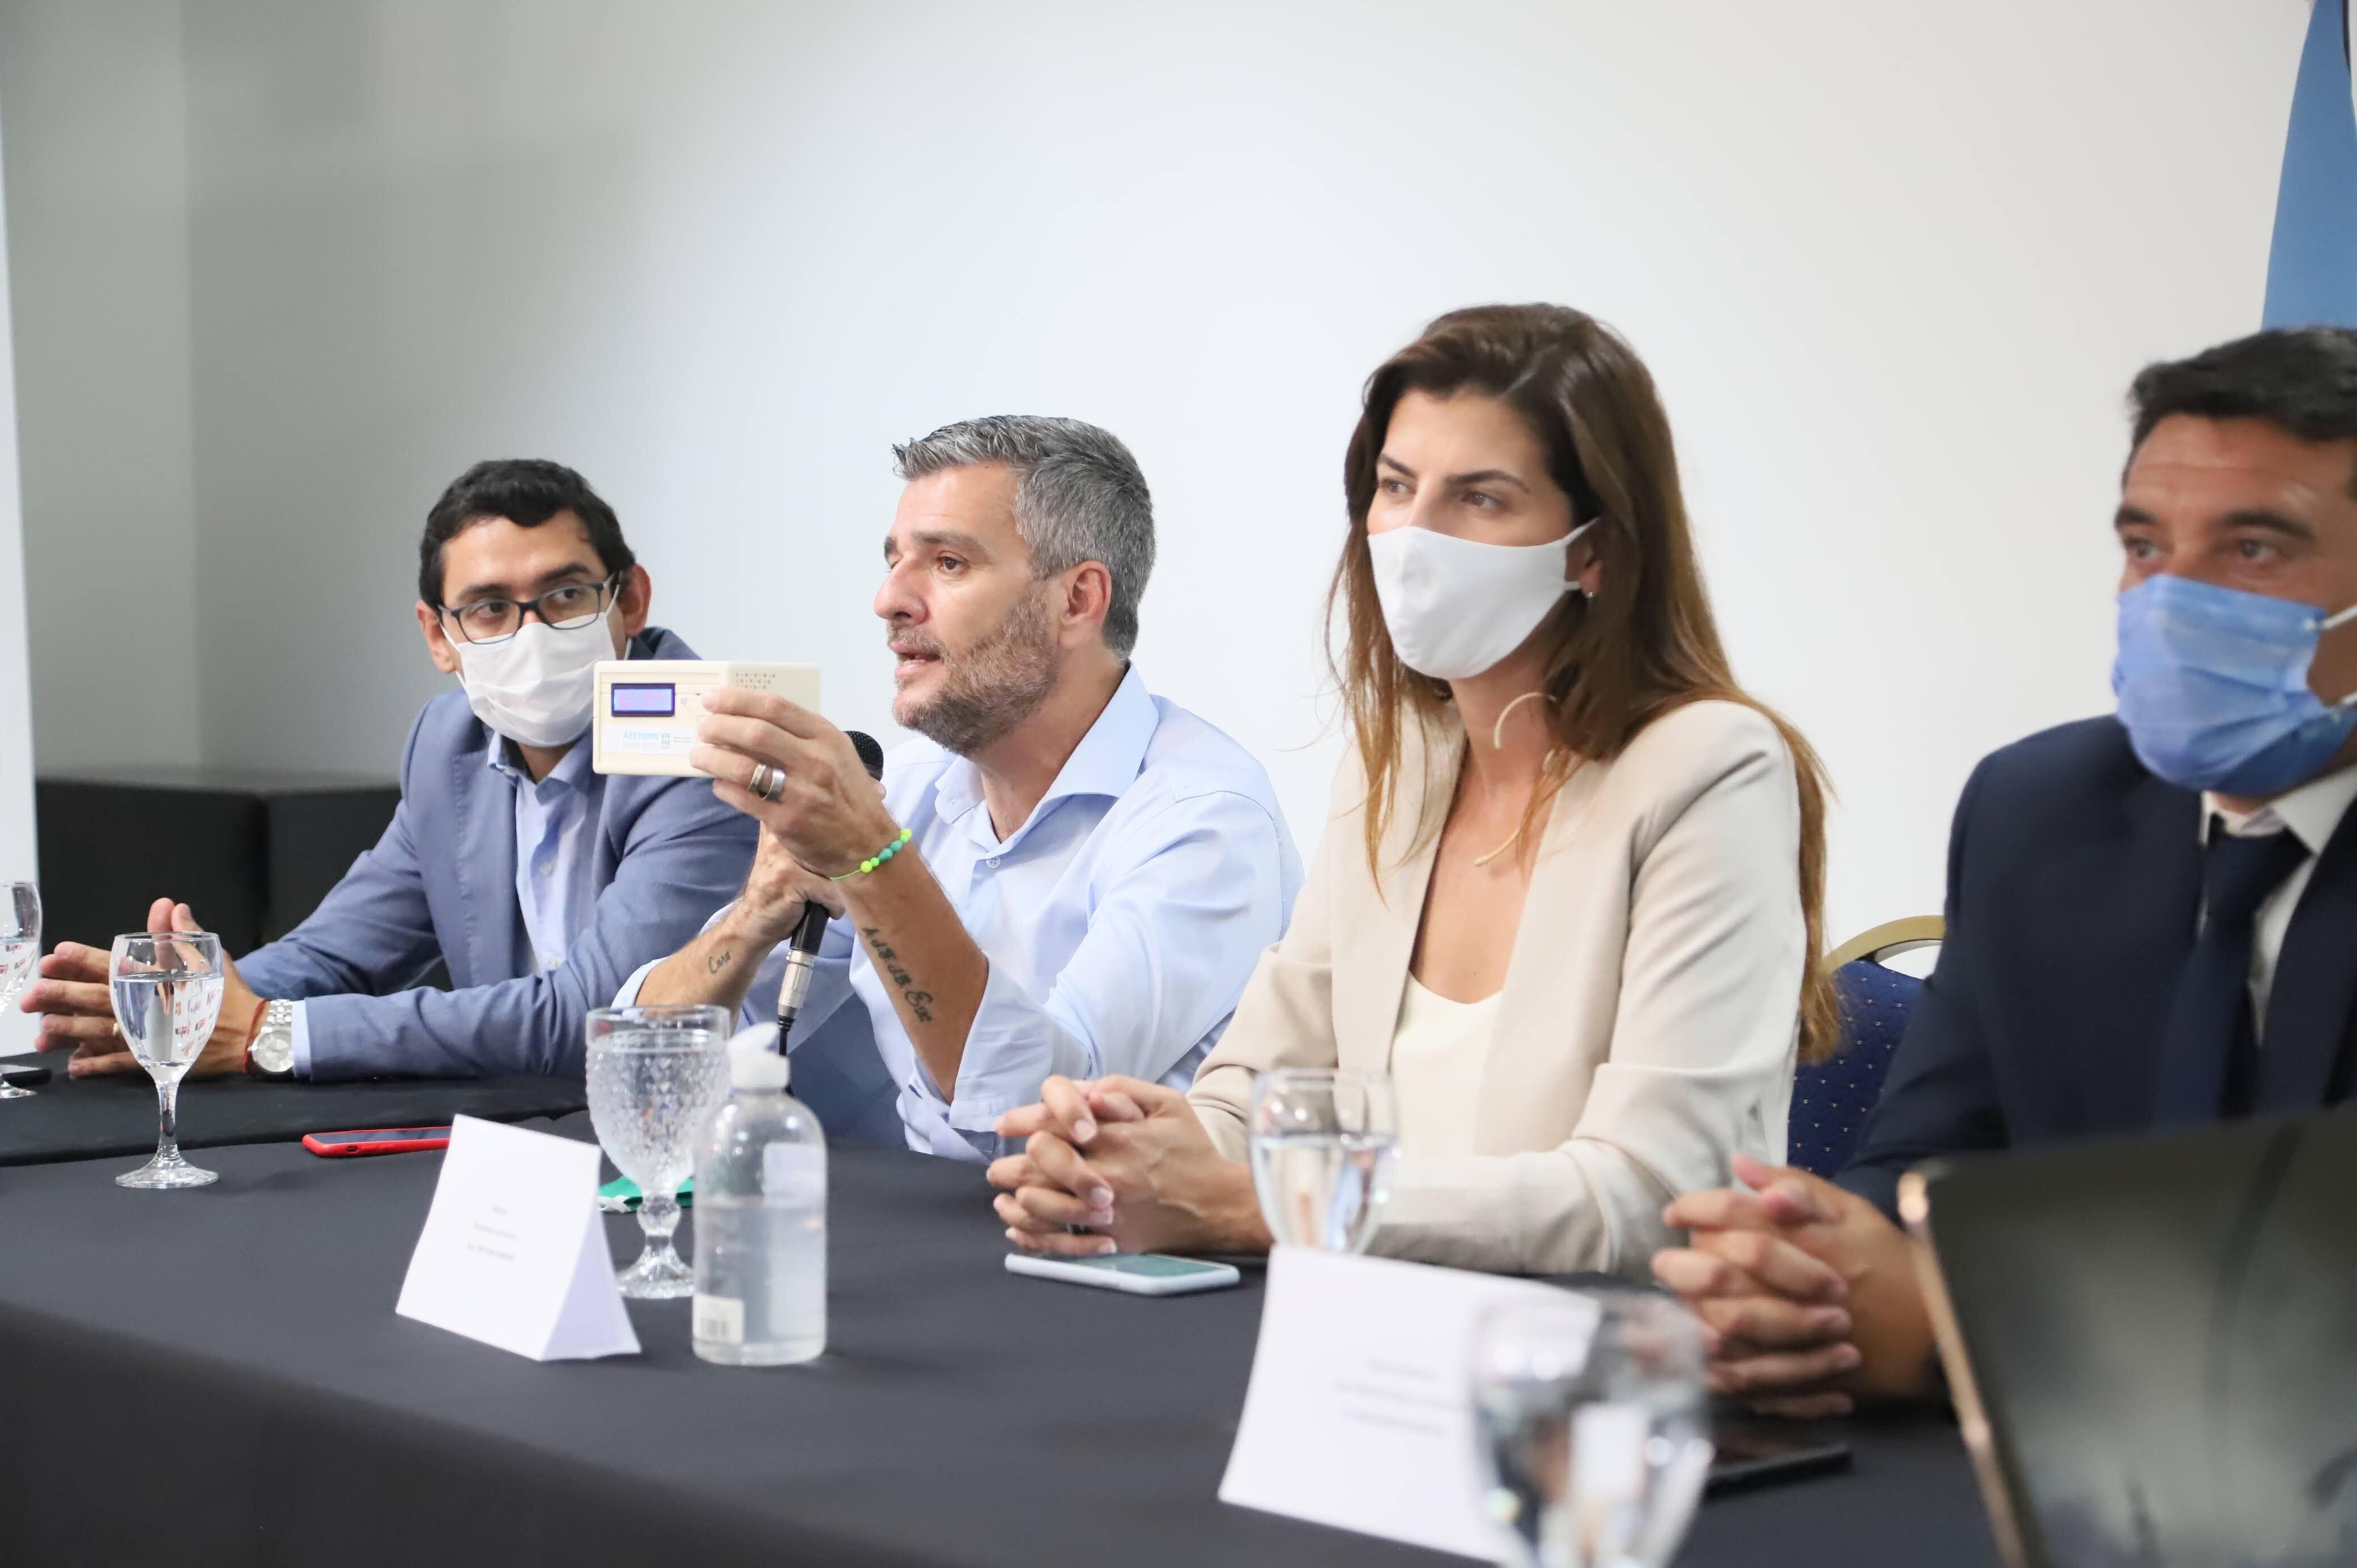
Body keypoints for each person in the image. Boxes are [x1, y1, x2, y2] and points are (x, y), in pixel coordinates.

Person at [989, 303, 1836, 1275]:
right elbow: (1255, 1095)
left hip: (1600, 1377)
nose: (1413, 537)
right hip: (1374, 1344)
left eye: (1481, 499)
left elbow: (1655, 1194)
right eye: (1396, 487)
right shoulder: (1403, 765)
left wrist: (1277, 1206)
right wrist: (1117, 1147)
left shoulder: (1710, 769)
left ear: (1594, 550)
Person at [1654, 326, 2357, 1415]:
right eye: (2144, 546)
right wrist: (1817, 1262)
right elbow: (1928, 1165)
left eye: (2252, 550)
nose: (2170, 599)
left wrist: (1960, 1329)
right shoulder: (2043, 810)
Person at [623, 415, 1301, 1158]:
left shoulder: (1204, 821)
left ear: (1077, 601)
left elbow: (1036, 1125)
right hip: (932, 1239)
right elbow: (640, 1084)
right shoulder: (907, 790)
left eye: (947, 563)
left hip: (1107, 1252)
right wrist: (756, 915)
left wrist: (874, 861)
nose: (890, 600)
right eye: (893, 562)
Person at [19, 459, 756, 1080]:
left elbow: (601, 1021)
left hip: (749, 1153)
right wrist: (188, 1005)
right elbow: (341, 951)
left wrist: (270, 1034)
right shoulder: (450, 743)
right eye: (490, 609)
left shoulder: (713, 739)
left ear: (628, 599)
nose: (531, 633)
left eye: (565, 596)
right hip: (540, 1134)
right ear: (439, 636)